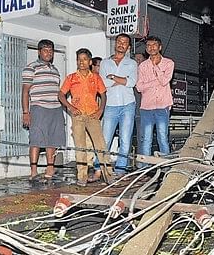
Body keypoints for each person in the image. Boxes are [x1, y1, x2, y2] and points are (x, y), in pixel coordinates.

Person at [58, 48, 112, 186]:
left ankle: (109, 175)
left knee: (100, 145)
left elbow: (103, 95)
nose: (81, 62)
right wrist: (70, 107)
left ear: (90, 62)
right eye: (79, 59)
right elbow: (61, 95)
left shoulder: (96, 77)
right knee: (80, 146)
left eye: (84, 59)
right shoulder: (71, 78)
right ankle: (82, 176)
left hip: (93, 115)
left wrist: (101, 110)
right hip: (78, 116)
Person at [22, 39, 66, 182]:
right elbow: (25, 91)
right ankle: (33, 171)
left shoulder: (55, 70)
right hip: (39, 108)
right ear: (39, 52)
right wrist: (26, 112)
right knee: (35, 140)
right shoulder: (31, 68)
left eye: (51, 50)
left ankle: (50, 169)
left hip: (55, 108)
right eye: (45, 50)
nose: (48, 53)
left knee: (52, 141)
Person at [98, 33, 138, 177]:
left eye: (125, 42)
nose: (121, 44)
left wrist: (113, 77)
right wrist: (123, 80)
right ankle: (100, 167)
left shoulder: (132, 63)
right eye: (119, 42)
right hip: (110, 105)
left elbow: (132, 83)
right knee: (105, 139)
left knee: (125, 139)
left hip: (128, 105)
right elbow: (103, 84)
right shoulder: (105, 63)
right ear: (115, 43)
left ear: (128, 46)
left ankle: (121, 169)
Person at [136, 36, 174, 167]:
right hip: (146, 107)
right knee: (146, 139)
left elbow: (164, 81)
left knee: (162, 137)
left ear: (160, 47)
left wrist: (155, 67)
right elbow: (139, 87)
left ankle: (165, 166)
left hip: (162, 106)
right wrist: (155, 80)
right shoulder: (142, 66)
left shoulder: (169, 63)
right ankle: (143, 168)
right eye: (148, 45)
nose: (151, 47)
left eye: (154, 45)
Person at [133, 52, 148, 156]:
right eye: (136, 59)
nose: (138, 61)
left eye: (140, 59)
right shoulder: (130, 73)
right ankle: (127, 161)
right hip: (128, 110)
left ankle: (141, 160)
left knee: (141, 136)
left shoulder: (146, 74)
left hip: (141, 111)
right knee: (126, 136)